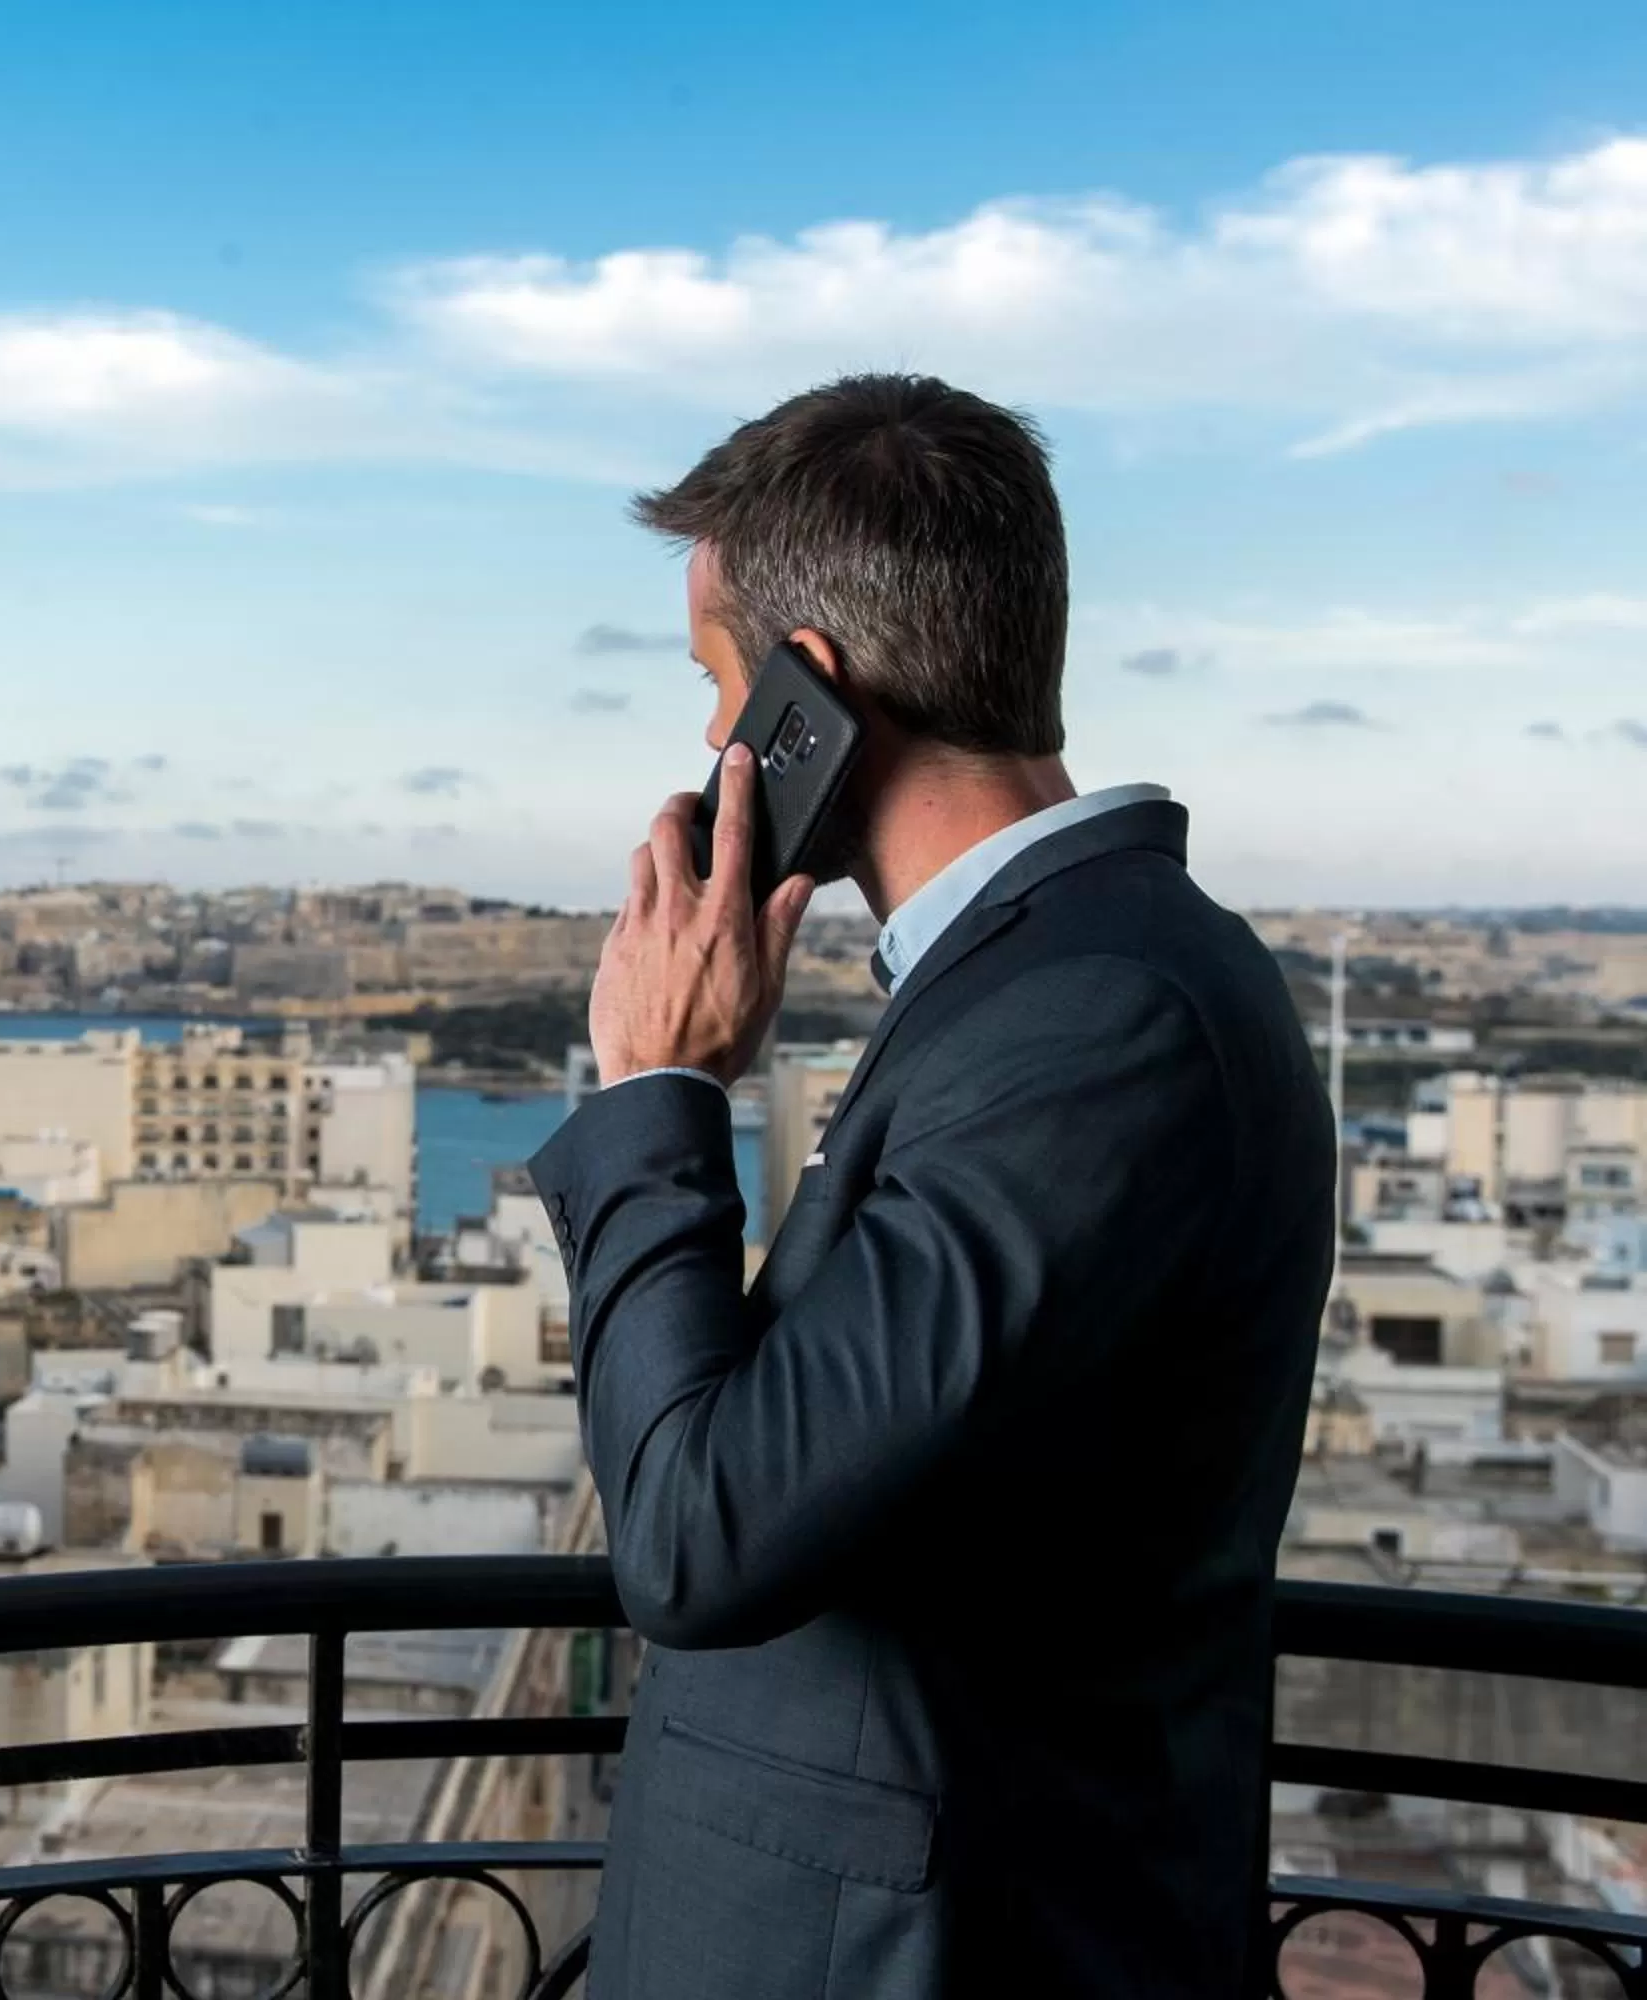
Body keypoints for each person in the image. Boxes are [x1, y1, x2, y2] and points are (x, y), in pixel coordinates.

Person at [530, 374, 1334, 1999]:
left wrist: (662, 1087)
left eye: (715, 682)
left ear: (806, 698)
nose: (707, 740)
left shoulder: (1099, 1018)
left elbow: (701, 1532)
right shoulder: (1065, 978)